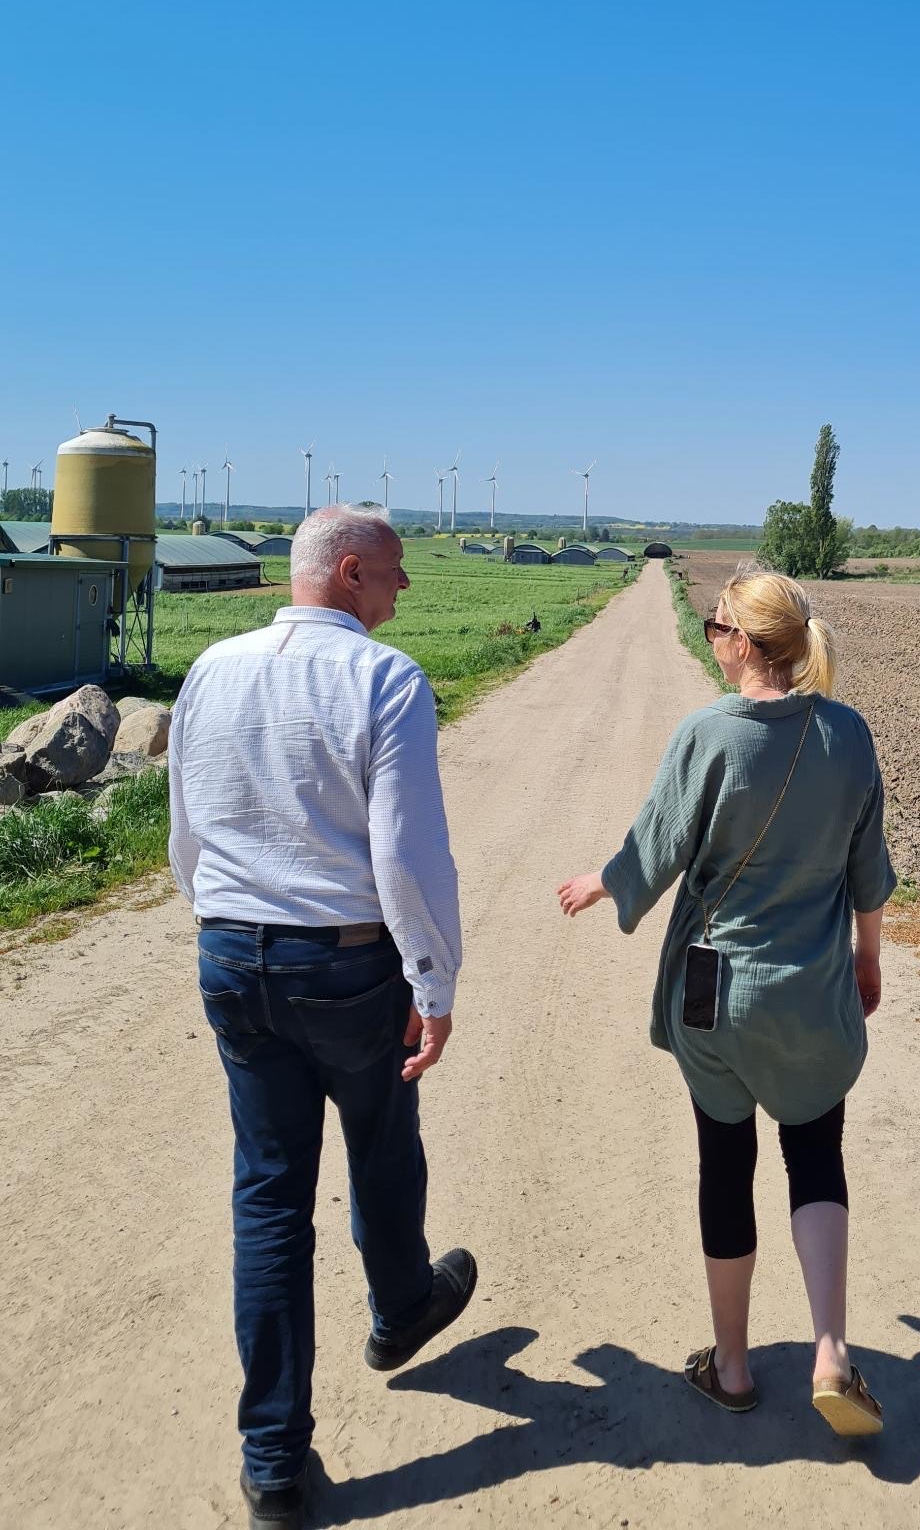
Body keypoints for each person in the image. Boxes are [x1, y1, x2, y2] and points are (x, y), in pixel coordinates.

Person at [170, 505, 476, 1530]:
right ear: (348, 573)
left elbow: (186, 827)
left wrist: (228, 923)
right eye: (392, 575)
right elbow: (404, 852)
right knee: (382, 1140)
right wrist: (433, 983)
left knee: (268, 1198)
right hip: (345, 962)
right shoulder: (385, 680)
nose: (400, 594)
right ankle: (398, 1311)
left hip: (231, 948)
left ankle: (272, 1466)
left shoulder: (213, 667)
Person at [558, 565, 896, 1436]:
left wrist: (603, 884)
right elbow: (869, 876)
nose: (712, 640)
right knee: (816, 1158)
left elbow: (656, 846)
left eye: (716, 628)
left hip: (716, 997)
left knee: (725, 1165)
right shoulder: (850, 737)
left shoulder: (709, 733)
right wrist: (868, 963)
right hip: (811, 996)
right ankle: (830, 1352)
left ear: (746, 644)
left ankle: (734, 1368)